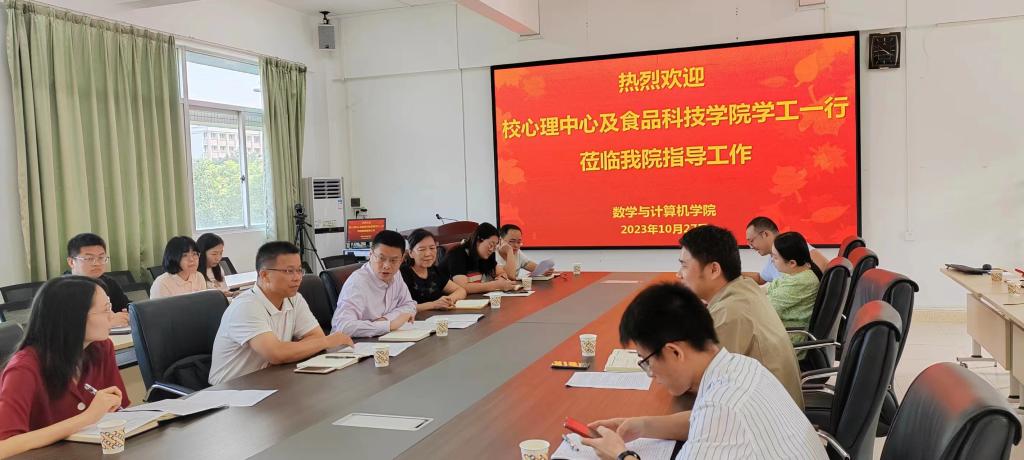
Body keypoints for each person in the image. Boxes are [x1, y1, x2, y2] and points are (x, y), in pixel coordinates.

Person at [580, 283, 826, 460]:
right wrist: (642, 425)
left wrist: (621, 455)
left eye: (646, 362)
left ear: (674, 352)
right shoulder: (741, 366)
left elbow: (717, 416)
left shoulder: (723, 408)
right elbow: (699, 420)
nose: (651, 374)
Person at [676, 225, 804, 407]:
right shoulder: (743, 288)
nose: (678, 274)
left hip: (768, 415)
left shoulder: (731, 311)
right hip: (772, 405)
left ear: (714, 270)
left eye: (684, 266)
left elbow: (690, 381)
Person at [0, 276, 130, 445]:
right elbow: (4, 445)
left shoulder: (101, 348)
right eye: (106, 309)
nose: (112, 317)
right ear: (74, 317)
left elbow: (119, 410)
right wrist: (87, 417)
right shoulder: (24, 368)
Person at [208, 242, 353, 385]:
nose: (297, 277)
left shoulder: (294, 298)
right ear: (265, 275)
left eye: (299, 270)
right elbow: (277, 354)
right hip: (230, 390)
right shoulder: (246, 306)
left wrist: (287, 351)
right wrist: (328, 341)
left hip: (270, 380)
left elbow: (316, 336)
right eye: (289, 271)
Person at [332, 230, 419, 337]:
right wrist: (389, 325)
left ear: (401, 260)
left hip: (384, 339)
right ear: (370, 255)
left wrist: (385, 320)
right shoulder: (357, 282)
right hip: (353, 343)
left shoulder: (396, 274)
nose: (387, 266)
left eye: (393, 260)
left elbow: (409, 305)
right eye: (381, 258)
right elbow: (343, 327)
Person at [65, 233, 130, 327]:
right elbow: (67, 324)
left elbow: (125, 308)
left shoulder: (109, 283)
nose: (97, 263)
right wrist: (106, 322)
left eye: (101, 258)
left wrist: (128, 315)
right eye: (89, 258)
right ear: (71, 262)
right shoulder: (60, 289)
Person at [766, 232, 822, 339]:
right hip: (782, 330)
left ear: (792, 263)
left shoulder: (801, 281)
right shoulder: (797, 272)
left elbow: (767, 307)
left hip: (790, 337)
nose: (772, 260)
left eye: (775, 257)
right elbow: (770, 288)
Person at [743, 216, 829, 285]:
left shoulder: (795, 246)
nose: (751, 247)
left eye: (752, 241)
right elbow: (760, 278)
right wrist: (735, 274)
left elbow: (826, 272)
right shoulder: (772, 257)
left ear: (765, 234)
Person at [400, 229, 467, 312]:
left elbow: (461, 290)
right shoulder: (402, 274)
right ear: (411, 253)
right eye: (422, 249)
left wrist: (448, 300)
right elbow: (400, 308)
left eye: (432, 248)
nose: (428, 254)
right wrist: (434, 305)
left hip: (439, 317)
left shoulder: (434, 271)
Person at [441, 223, 515, 294]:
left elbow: (501, 272)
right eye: (491, 244)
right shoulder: (457, 254)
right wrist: (496, 285)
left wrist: (502, 278)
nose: (492, 249)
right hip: (447, 299)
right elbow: (462, 287)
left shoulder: (487, 254)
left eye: (495, 246)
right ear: (478, 240)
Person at [197, 233, 239, 299]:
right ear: (202, 253)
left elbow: (223, 292)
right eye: (214, 254)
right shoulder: (196, 274)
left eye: (221, 253)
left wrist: (233, 294)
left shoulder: (218, 268)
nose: (218, 258)